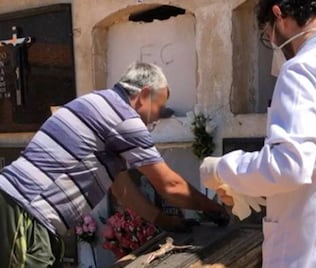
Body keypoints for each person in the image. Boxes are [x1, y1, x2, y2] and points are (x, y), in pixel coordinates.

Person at [200, 0, 316, 267]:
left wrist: (223, 168)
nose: (275, 47)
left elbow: (289, 166)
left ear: (279, 15)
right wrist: (254, 186)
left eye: (269, 36)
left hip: (304, 254)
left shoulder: (302, 69)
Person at [0, 62, 227, 267]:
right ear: (144, 94)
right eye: (158, 107)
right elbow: (170, 186)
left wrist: (163, 220)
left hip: (17, 207)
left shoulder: (95, 102)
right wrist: (217, 208)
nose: (157, 117)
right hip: (25, 212)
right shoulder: (124, 118)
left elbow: (122, 189)